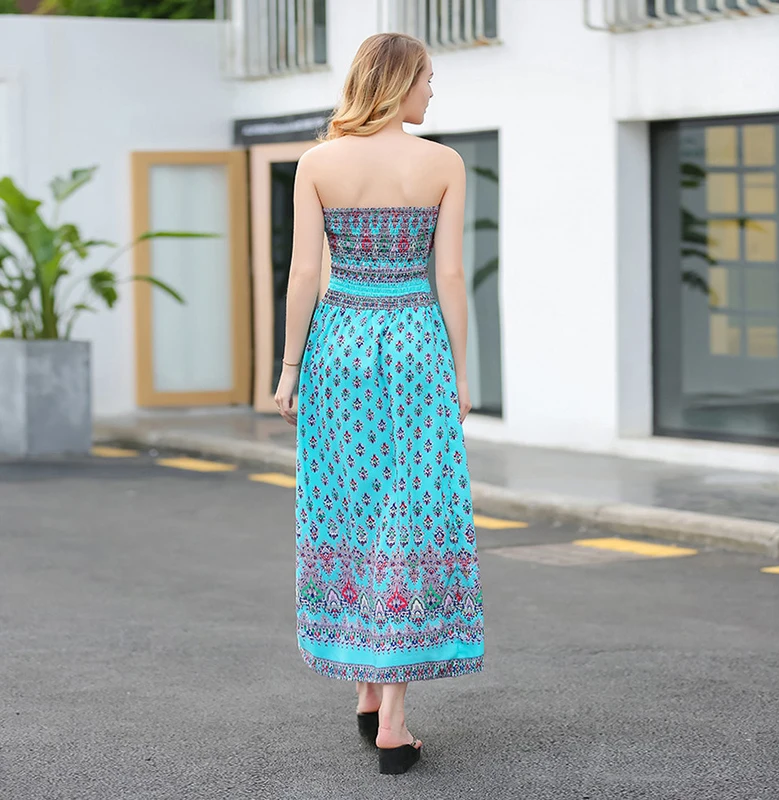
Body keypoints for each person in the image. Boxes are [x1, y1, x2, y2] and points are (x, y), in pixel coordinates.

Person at [273, 32, 485, 776]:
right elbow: (450, 276)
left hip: (340, 345)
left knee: (348, 505)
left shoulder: (318, 163)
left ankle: (368, 689)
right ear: (399, 84)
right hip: (416, 344)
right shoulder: (444, 163)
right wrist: (462, 372)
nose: (433, 91)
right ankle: (391, 715)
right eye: (427, 78)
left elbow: (304, 273)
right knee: (413, 508)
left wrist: (290, 367)